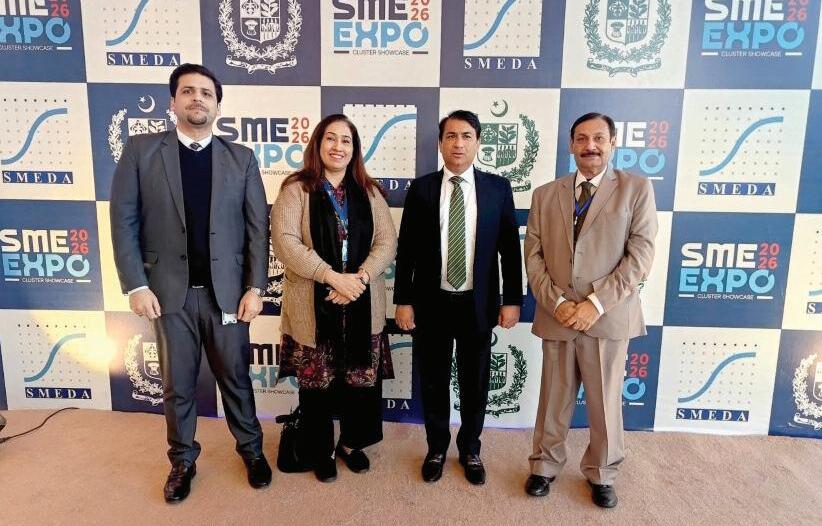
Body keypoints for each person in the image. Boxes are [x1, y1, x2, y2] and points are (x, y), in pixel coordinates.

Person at [110, 63, 271, 503]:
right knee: (177, 384)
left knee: (236, 378)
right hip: (168, 295)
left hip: (228, 295)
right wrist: (136, 285)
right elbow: (123, 222)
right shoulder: (141, 151)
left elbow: (258, 229)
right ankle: (182, 461)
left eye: (206, 93)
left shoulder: (241, 158)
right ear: (173, 102)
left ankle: (252, 450)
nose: (197, 98)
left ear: (218, 106)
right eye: (188, 91)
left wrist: (256, 288)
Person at [523, 112, 657, 508]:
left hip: (608, 317)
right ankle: (544, 466)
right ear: (571, 145)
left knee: (604, 403)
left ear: (613, 143)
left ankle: (602, 473)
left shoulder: (636, 189)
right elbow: (533, 256)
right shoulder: (545, 194)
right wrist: (559, 302)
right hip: (558, 315)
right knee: (553, 400)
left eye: (598, 138)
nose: (590, 146)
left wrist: (595, 304)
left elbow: (640, 256)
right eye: (581, 139)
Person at [394, 110, 522, 485]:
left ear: (478, 142)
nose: (458, 144)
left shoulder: (498, 188)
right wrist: (403, 299)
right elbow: (407, 251)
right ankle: (436, 448)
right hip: (432, 303)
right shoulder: (422, 189)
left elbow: (509, 251)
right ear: (440, 143)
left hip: (477, 304)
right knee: (433, 381)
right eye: (451, 136)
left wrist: (512, 300)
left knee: (475, 382)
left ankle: (470, 449)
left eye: (466, 136)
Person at [270, 114, 397, 483]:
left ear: (354, 149)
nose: (338, 146)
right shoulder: (296, 189)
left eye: (346, 140)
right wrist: (332, 277)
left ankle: (352, 444)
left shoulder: (369, 191)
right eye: (331, 138)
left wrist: (359, 279)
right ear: (318, 144)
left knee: (361, 385)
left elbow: (386, 242)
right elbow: (285, 242)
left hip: (361, 300)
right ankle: (321, 449)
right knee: (317, 386)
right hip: (313, 303)